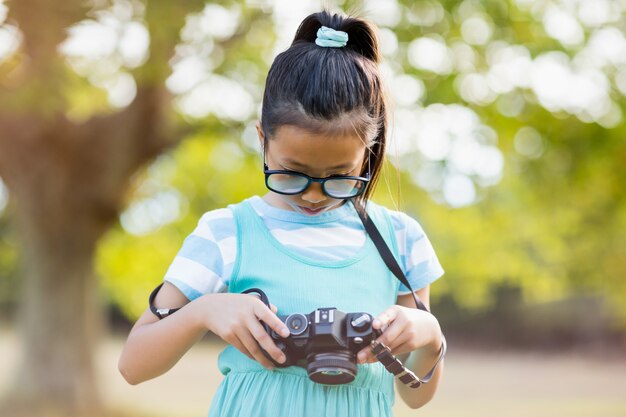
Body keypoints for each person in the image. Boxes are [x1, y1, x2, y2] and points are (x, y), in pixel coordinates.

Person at [118, 9, 445, 417]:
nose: (312, 194)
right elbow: (133, 365)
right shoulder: (226, 233)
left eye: (339, 176)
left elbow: (415, 396)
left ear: (368, 153)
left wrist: (429, 336)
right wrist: (205, 311)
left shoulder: (400, 239)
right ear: (262, 139)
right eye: (293, 174)